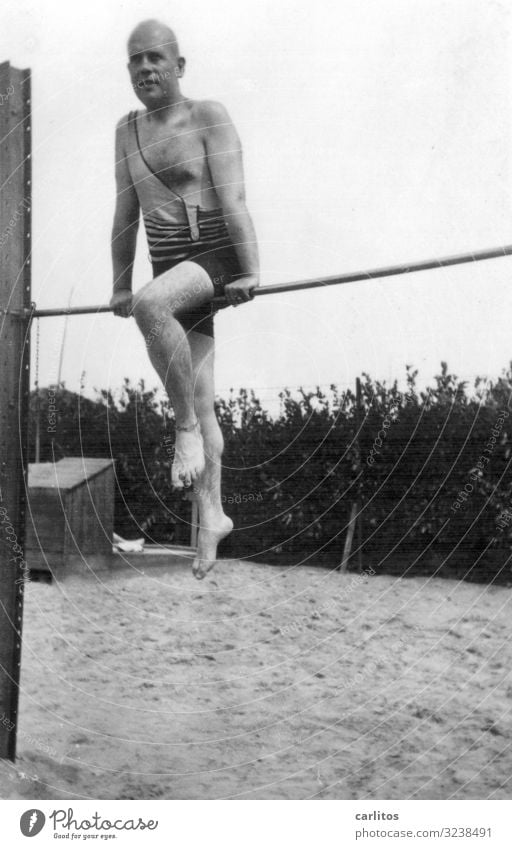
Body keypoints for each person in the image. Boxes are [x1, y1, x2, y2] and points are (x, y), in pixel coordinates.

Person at [110, 19, 260, 579]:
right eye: (134, 60)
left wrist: (251, 270)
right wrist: (119, 282)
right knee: (200, 395)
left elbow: (234, 194)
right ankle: (212, 522)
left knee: (153, 309)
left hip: (215, 255)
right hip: (168, 267)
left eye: (154, 58)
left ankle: (184, 436)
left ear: (179, 66)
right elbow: (125, 214)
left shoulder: (207, 116)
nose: (144, 68)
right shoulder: (126, 130)